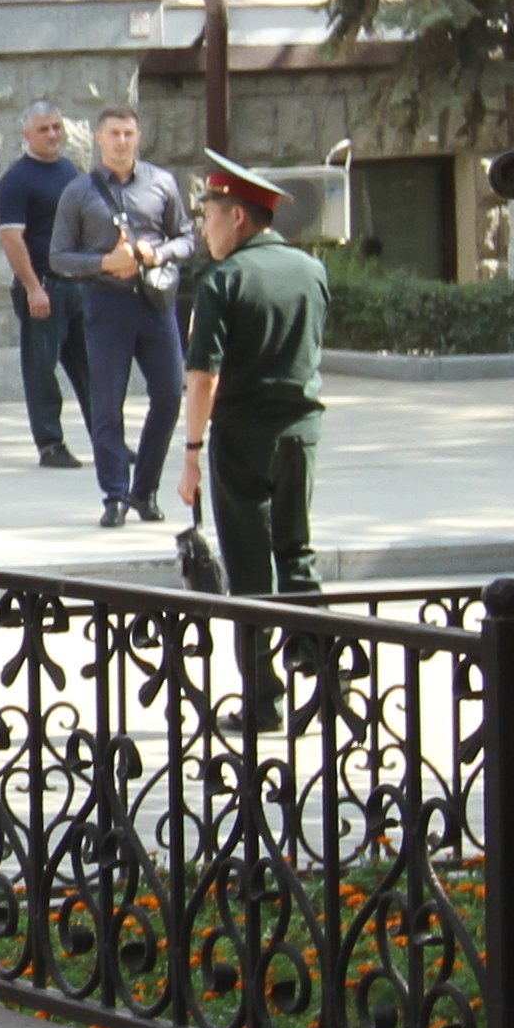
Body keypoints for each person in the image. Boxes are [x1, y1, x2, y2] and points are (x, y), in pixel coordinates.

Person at [174, 154, 331, 727]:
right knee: (298, 554)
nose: (204, 229)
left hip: (242, 438)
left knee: (249, 570)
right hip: (301, 433)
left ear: (238, 216)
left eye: (210, 216)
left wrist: (190, 454)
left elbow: (203, 377)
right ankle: (324, 684)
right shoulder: (310, 269)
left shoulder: (223, 280)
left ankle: (263, 702)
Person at [50, 107, 189, 531]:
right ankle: (114, 495)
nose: (122, 141)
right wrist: (104, 263)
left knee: (168, 396)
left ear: (138, 135)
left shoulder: (162, 183)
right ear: (98, 138)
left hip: (154, 302)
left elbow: (186, 238)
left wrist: (157, 253)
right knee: (107, 406)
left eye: (129, 133)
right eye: (114, 134)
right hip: (106, 306)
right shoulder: (79, 192)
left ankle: (144, 490)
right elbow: (58, 258)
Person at [0, 104, 84, 475]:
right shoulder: (16, 181)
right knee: (41, 370)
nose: (53, 134)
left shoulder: (70, 172)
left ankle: (108, 440)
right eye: (44, 129)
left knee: (93, 369)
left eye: (57, 127)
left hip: (78, 286)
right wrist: (32, 288)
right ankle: (50, 444)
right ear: (26, 135)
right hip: (43, 287)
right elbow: (13, 239)